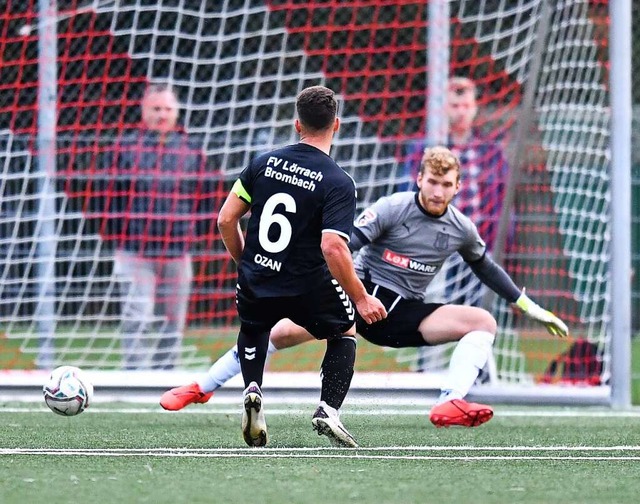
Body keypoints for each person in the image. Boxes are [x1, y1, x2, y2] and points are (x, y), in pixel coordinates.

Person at [160, 146, 567, 429]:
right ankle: (202, 387)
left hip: (401, 314)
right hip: (359, 299)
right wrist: (324, 282)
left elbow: (485, 266)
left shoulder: (461, 228)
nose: (437, 191)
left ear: (457, 187)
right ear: (419, 179)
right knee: (277, 332)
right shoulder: (394, 208)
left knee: (482, 320)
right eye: (431, 182)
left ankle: (449, 401)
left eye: (446, 185)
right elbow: (346, 241)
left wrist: (528, 306)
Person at [212, 85, 386, 448]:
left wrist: (246, 264)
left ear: (297, 124)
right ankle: (328, 408)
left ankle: (252, 388)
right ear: (336, 125)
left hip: (259, 276)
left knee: (255, 325)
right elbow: (333, 245)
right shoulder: (338, 181)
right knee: (343, 331)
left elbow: (226, 221)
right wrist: (361, 297)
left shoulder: (262, 164)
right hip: (308, 284)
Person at [104, 83, 214, 370]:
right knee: (136, 318)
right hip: (134, 252)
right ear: (144, 111)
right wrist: (119, 241)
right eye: (156, 108)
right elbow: (108, 200)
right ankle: (134, 378)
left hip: (177, 252)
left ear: (177, 112)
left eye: (167, 108)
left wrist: (193, 237)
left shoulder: (191, 151)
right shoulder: (125, 148)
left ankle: (166, 377)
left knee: (172, 322)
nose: (162, 114)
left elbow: (205, 198)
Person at [402, 77, 510, 307]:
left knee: (477, 312)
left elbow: (503, 200)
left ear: (475, 108)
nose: (461, 112)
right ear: (442, 108)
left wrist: (505, 237)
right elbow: (408, 193)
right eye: (454, 106)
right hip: (435, 243)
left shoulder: (490, 151)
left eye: (466, 106)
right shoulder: (423, 149)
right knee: (434, 310)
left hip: (478, 242)